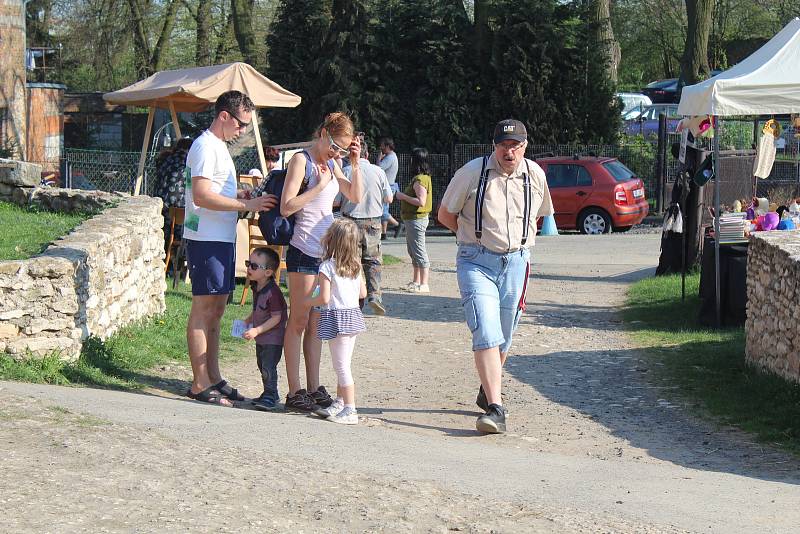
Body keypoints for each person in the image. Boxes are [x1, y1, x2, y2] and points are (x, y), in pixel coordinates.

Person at [438, 119, 553, 434]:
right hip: (476, 261)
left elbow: (540, 214)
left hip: (516, 263)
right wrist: (469, 236)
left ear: (525, 146)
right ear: (494, 146)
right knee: (485, 331)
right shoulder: (471, 173)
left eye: (515, 145)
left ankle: (488, 388)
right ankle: (495, 408)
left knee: (504, 335)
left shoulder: (535, 175)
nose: (509, 151)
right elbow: (445, 214)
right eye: (504, 145)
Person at [183, 90, 277, 406]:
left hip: (220, 236)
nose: (242, 132)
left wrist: (238, 192)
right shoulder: (205, 146)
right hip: (206, 238)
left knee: (217, 311)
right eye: (241, 125)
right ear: (224, 116)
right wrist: (244, 202)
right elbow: (200, 195)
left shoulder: (219, 147)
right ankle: (199, 384)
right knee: (204, 310)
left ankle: (213, 377)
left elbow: (215, 189)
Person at [280, 112, 363, 412]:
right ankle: (294, 389)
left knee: (316, 324)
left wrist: (353, 164)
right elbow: (287, 207)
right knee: (299, 320)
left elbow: (355, 195)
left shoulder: (335, 163)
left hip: (324, 256)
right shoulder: (301, 161)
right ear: (323, 134)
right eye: (335, 146)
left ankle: (313, 387)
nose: (336, 152)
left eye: (342, 149)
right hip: (302, 252)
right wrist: (318, 186)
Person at [307, 219, 367, 425]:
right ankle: (340, 402)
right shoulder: (357, 266)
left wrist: (307, 300)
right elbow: (363, 293)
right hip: (353, 317)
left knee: (341, 366)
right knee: (345, 363)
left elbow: (323, 298)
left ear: (331, 240)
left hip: (336, 317)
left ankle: (350, 409)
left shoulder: (327, 267)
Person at [340, 140, 393, 314]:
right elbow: (389, 198)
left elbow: (337, 200)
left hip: (350, 221)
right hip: (373, 221)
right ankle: (375, 295)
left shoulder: (346, 171)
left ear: (350, 154)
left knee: (351, 261)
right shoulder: (378, 171)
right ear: (368, 154)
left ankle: (355, 300)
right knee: (373, 260)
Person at [241, 247, 288, 411]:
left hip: (272, 339)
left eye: (254, 266)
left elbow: (277, 317)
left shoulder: (273, 292)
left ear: (268, 272)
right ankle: (270, 393)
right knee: (262, 365)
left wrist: (257, 330)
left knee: (268, 366)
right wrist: (249, 319)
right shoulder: (257, 286)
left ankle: (270, 395)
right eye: (248, 264)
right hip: (262, 337)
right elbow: (259, 309)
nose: (249, 268)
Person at [396, 147, 433, 293]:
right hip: (412, 219)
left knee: (419, 250)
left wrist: (402, 196)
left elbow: (421, 201)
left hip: (417, 219)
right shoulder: (422, 178)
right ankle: (416, 281)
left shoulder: (420, 179)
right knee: (413, 250)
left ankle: (424, 283)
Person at [377, 136, 400, 238]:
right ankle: (384, 233)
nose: (381, 147)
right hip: (390, 186)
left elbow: (378, 168)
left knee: (382, 211)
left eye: (382, 145)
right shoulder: (391, 156)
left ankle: (397, 225)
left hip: (388, 186)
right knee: (385, 208)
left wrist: (379, 158)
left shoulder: (390, 157)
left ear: (387, 146)